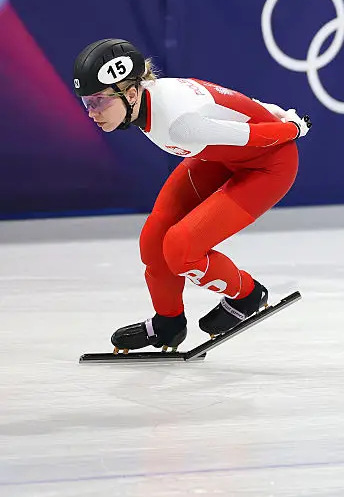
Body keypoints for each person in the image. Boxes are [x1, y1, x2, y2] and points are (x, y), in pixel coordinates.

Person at [72, 38, 311, 352]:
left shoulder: (177, 124)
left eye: (100, 101)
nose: (92, 112)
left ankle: (248, 294)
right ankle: (167, 323)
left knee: (181, 247)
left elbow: (251, 135)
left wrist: (292, 127)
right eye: (87, 102)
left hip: (269, 164)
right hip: (225, 157)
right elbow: (226, 100)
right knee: (154, 240)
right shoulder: (149, 99)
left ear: (131, 93)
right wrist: (268, 110)